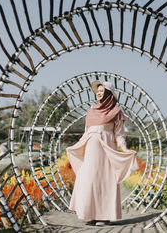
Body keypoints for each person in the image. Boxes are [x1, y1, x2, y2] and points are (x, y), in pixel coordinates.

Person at [66, 80, 139, 226]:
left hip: (106, 150)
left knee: (105, 182)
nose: (98, 94)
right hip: (91, 150)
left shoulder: (116, 111)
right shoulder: (91, 110)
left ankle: (104, 217)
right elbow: (87, 131)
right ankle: (90, 214)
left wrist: (124, 149)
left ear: (109, 94)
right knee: (89, 180)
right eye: (97, 92)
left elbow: (119, 134)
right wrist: (78, 145)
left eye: (102, 91)